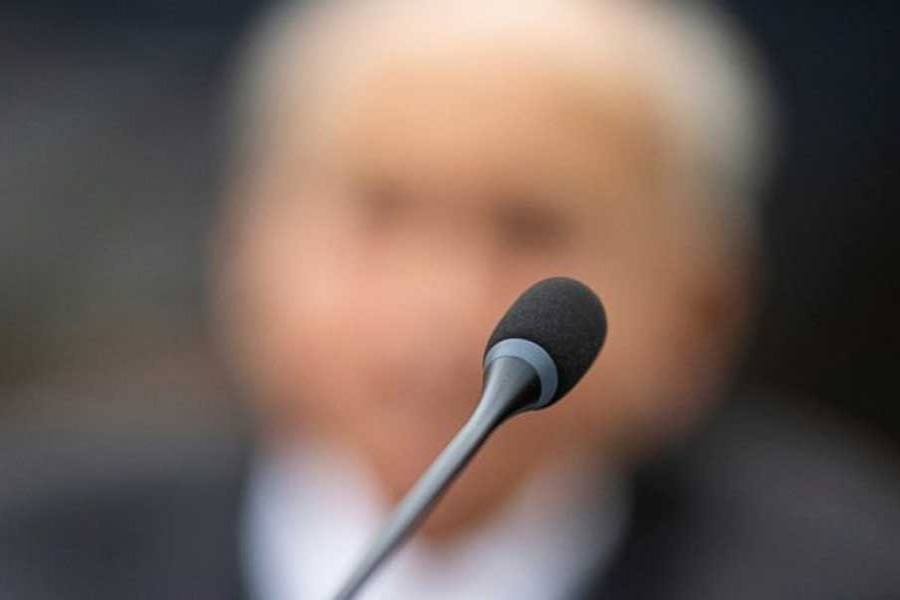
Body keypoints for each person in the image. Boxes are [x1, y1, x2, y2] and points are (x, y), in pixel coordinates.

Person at [2, 0, 899, 598]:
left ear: (703, 306)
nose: (440, 301)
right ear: (242, 249)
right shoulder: (31, 548)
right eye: (378, 210)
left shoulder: (843, 574)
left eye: (530, 226)